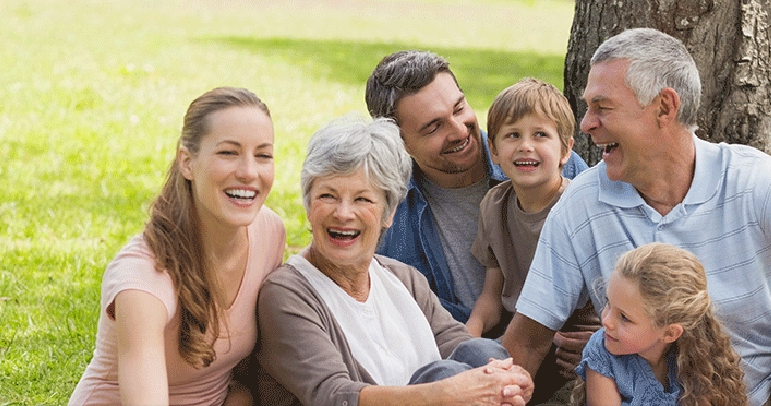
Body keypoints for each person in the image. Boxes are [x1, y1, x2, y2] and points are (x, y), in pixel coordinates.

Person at [502, 28, 771, 406]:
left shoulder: (748, 178)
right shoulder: (582, 203)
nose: (588, 123)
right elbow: (526, 341)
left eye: (602, 107)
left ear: (664, 109)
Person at [254, 116, 533, 406]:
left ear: (388, 214)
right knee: (448, 374)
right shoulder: (286, 293)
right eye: (328, 196)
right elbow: (333, 395)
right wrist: (448, 393)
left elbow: (458, 344)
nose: (344, 213)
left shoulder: (404, 279)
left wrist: (509, 378)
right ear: (309, 205)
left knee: (482, 356)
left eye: (362, 199)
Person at [69, 87, 286, 406]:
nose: (249, 172)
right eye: (228, 152)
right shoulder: (143, 279)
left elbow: (246, 372)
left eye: (263, 155)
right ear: (187, 162)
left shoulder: (269, 232)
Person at [364, 50, 589, 323]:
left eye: (459, 108)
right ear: (399, 142)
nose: (459, 130)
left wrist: (597, 332)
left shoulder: (549, 162)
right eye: (434, 127)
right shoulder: (386, 207)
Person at [466, 78, 600, 404]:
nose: (526, 146)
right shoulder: (494, 206)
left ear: (567, 149)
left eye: (540, 134)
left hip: (573, 345)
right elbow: (492, 295)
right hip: (519, 335)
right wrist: (467, 335)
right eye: (513, 135)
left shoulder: (580, 207)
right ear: (494, 151)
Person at [574, 243, 746, 406]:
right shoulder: (602, 351)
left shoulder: (699, 357)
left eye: (624, 317)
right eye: (608, 303)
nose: (606, 321)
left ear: (670, 333)